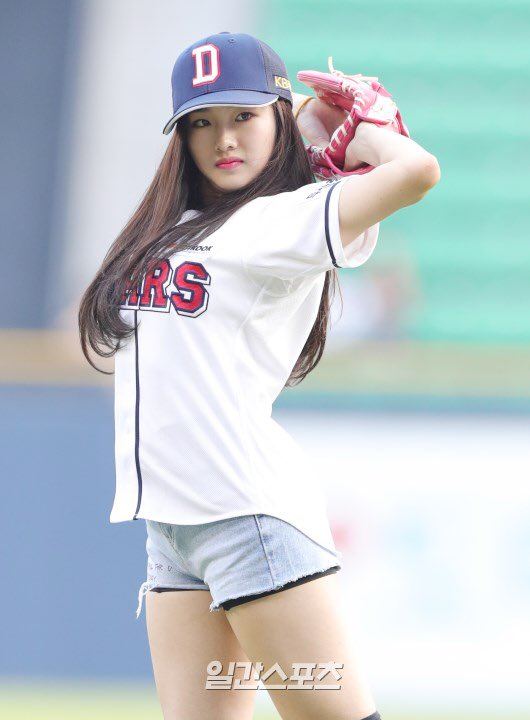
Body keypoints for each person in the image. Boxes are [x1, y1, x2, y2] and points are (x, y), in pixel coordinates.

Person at [78, 31, 440, 720]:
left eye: (244, 116)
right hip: (174, 532)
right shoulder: (177, 225)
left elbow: (418, 172)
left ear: (278, 114)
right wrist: (293, 125)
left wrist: (364, 129)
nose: (224, 139)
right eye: (202, 122)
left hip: (248, 520)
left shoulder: (287, 220)